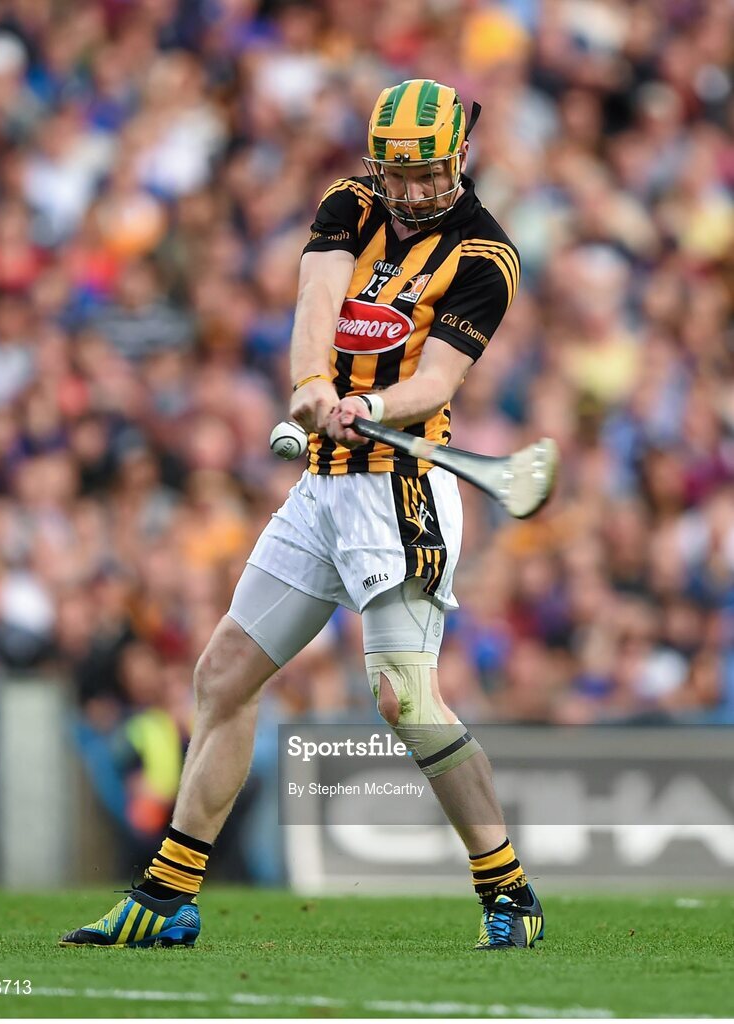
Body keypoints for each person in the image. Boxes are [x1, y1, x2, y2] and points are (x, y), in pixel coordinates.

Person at [61, 79, 544, 951]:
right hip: (321, 486)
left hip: (399, 490)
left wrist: (379, 405)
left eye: (428, 175)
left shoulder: (485, 256)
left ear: (458, 160)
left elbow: (438, 380)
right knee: (223, 675)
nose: (411, 193)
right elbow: (317, 301)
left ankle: (507, 890)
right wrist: (312, 382)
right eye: (397, 175)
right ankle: (169, 897)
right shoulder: (348, 205)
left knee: (405, 698)